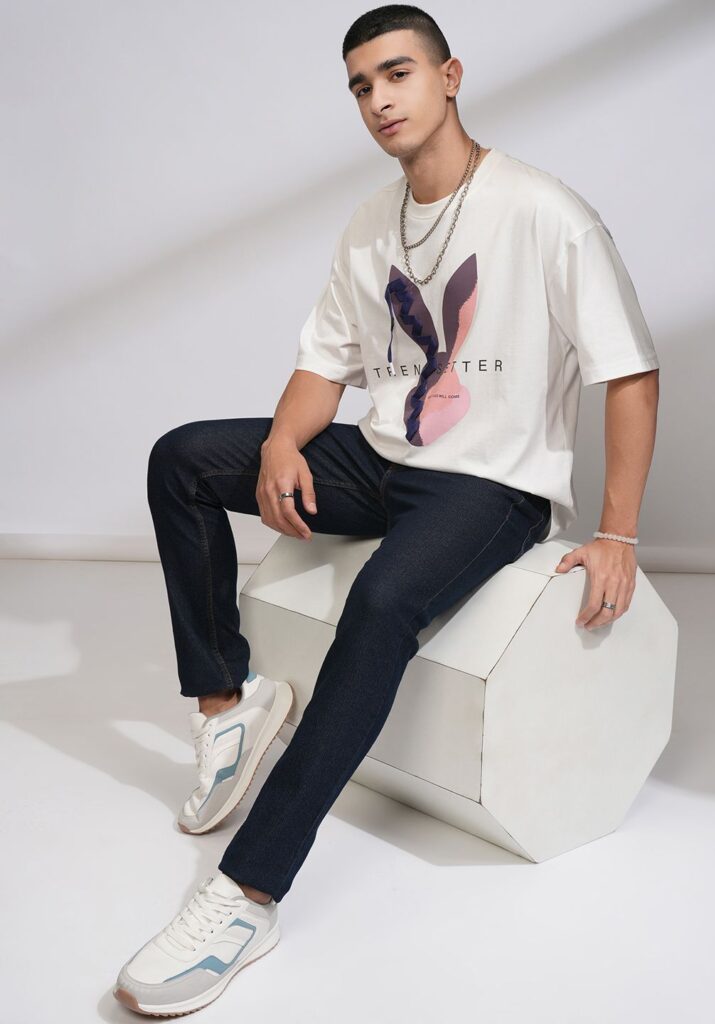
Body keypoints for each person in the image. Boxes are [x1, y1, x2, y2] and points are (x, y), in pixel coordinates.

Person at [113, 3, 660, 1015]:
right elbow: (324, 363)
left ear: (450, 76)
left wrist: (618, 530)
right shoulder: (373, 221)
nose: (379, 100)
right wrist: (285, 441)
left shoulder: (544, 210)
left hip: (492, 484)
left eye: (398, 74)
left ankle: (247, 893)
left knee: (379, 604)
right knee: (182, 458)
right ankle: (227, 704)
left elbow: (628, 371)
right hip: (380, 458)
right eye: (361, 85)